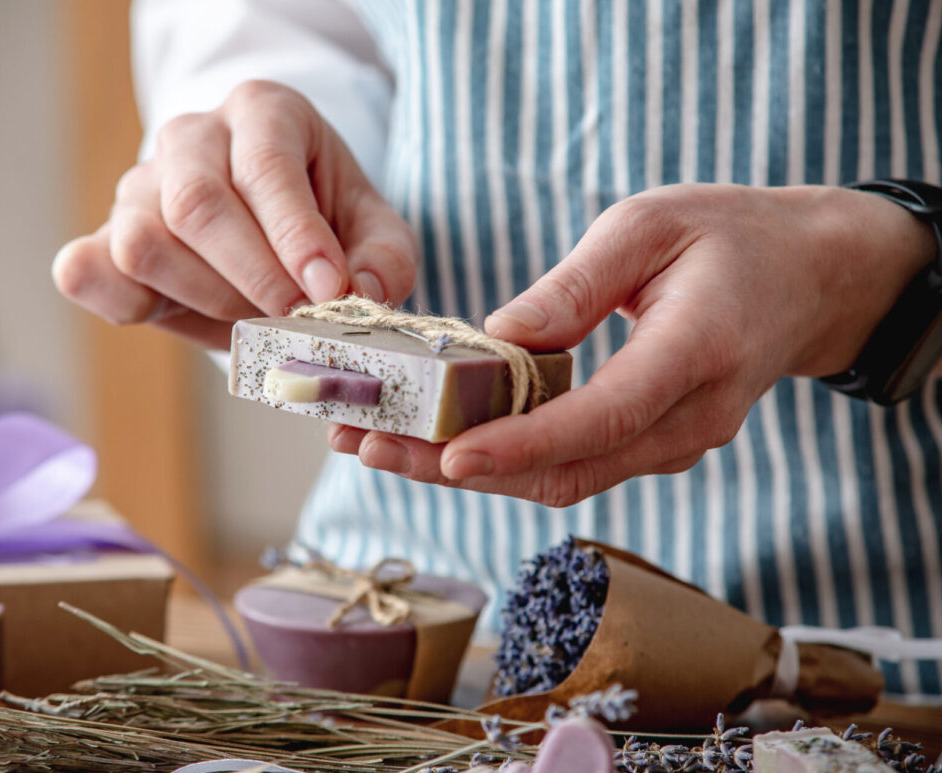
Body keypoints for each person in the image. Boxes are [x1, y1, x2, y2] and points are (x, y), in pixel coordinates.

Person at [53, 0, 942, 700]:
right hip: (405, 627)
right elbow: (280, 23)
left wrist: (874, 273)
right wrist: (268, 176)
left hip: (875, 654)